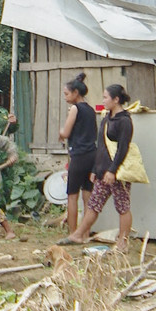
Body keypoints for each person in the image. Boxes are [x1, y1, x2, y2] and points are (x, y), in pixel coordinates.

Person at [59, 84, 136, 253]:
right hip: (102, 171)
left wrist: (112, 171)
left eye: (106, 97)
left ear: (116, 100)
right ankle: (78, 235)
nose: (103, 101)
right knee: (94, 204)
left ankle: (123, 243)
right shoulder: (107, 118)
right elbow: (100, 146)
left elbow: (123, 149)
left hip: (117, 173)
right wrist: (95, 169)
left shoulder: (124, 121)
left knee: (122, 206)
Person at [58, 73, 97, 234]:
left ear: (76, 93)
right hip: (92, 155)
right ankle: (85, 232)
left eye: (67, 94)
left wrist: (60, 132)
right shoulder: (90, 109)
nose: (66, 97)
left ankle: (73, 232)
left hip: (79, 155)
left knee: (72, 195)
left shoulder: (75, 108)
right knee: (87, 195)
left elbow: (66, 133)